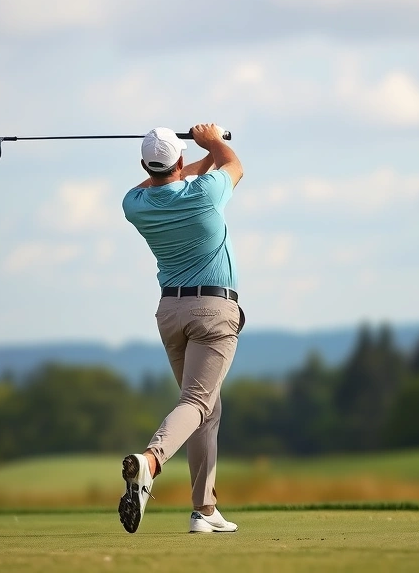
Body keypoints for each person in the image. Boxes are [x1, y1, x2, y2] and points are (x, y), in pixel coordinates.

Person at [118, 123, 245, 534]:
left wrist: (200, 156)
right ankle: (150, 461)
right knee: (196, 403)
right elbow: (235, 166)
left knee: (204, 408)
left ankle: (204, 510)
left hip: (170, 313)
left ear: (144, 165)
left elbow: (161, 182)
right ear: (179, 160)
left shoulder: (134, 204)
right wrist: (213, 140)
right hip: (212, 311)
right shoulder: (205, 193)